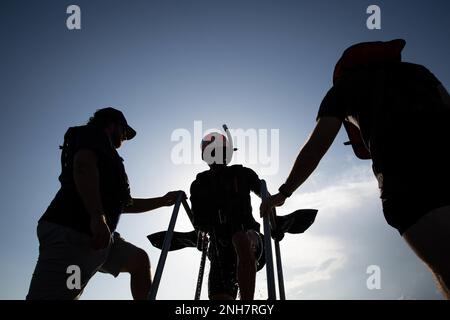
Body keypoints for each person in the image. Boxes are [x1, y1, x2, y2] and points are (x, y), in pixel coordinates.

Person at [260, 39, 450, 299]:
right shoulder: (418, 71)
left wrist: (284, 192)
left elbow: (314, 149)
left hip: (405, 180)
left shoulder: (343, 89)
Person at [27, 107, 184, 300]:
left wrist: (162, 201)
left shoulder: (108, 155)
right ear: (111, 125)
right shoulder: (92, 134)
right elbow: (83, 166)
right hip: (71, 230)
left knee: (139, 260)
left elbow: (125, 204)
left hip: (99, 237)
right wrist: (97, 217)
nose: (126, 137)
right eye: (124, 131)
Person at [190, 132, 265, 300]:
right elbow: (199, 222)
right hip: (219, 247)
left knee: (240, 238)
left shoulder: (244, 174)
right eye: (212, 152)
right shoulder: (198, 185)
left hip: (249, 236)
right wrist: (200, 235)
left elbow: (266, 196)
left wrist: (275, 222)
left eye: (220, 151)